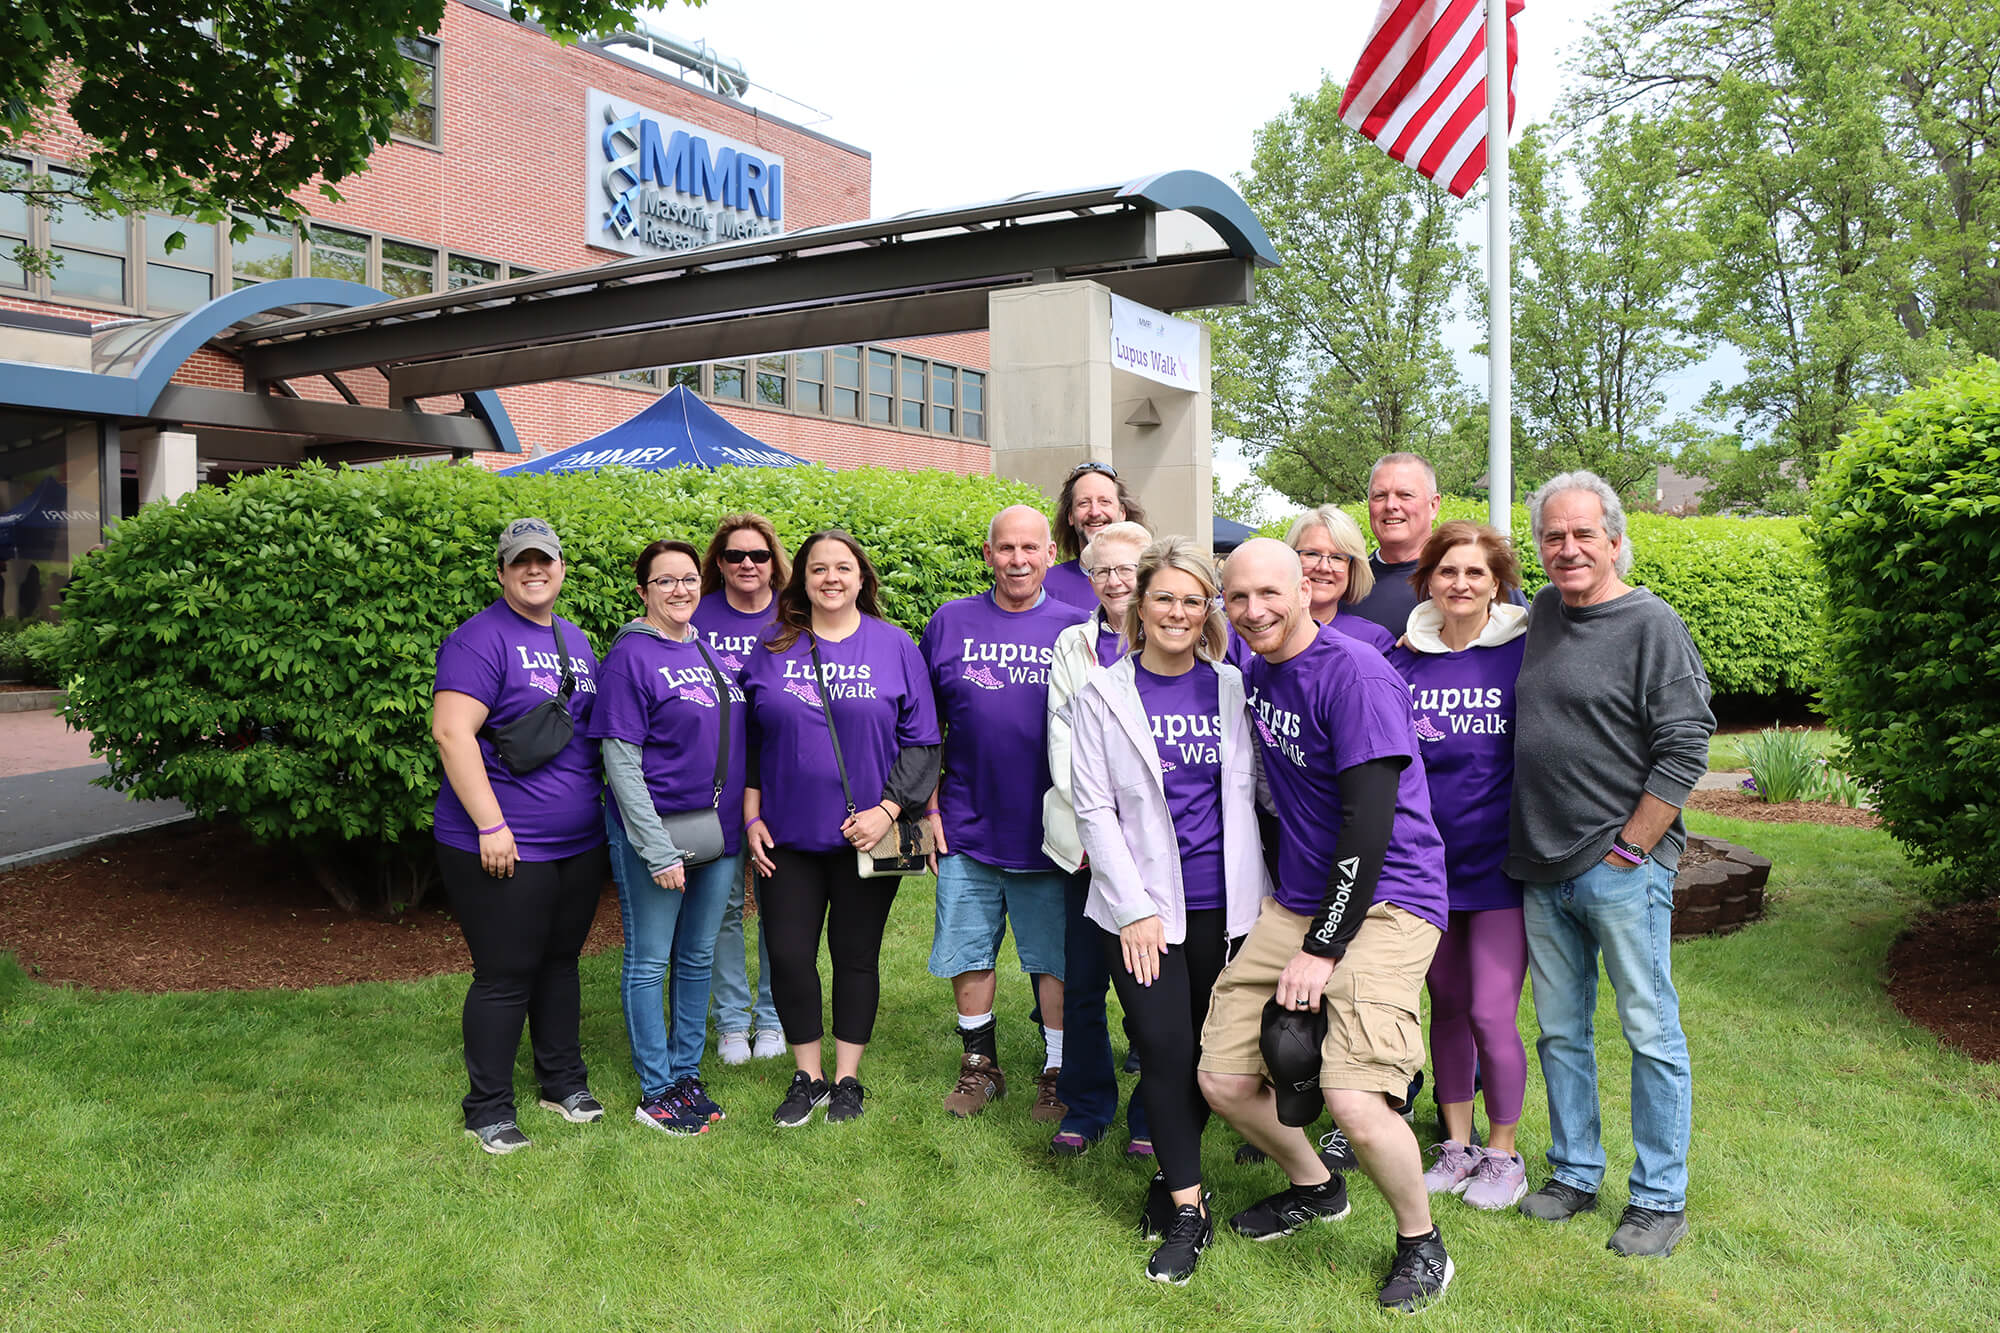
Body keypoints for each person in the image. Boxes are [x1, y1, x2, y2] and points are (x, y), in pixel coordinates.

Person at [1202, 537, 1454, 1314]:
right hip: (1301, 896)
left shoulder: (1355, 674)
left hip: (1390, 897)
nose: (1254, 611)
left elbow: (1369, 823)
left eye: (1269, 594)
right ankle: (1315, 1186)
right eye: (1238, 598)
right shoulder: (1256, 667)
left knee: (1352, 1096)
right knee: (1224, 1077)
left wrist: (1322, 946)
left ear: (1308, 587)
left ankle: (1423, 1242)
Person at [1507, 472, 1713, 1258]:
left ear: (1616, 539)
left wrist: (1636, 843)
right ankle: (1575, 1172)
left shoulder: (1651, 623)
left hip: (1620, 866)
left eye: (1583, 534)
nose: (1567, 548)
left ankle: (1660, 1198)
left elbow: (1688, 741)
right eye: (1553, 537)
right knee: (1560, 1032)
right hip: (1540, 864)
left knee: (1648, 1030)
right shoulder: (1541, 616)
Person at [1069, 537, 1271, 1284]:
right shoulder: (1104, 694)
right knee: (1160, 1045)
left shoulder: (1231, 689)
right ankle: (1191, 1210)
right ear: (1138, 607)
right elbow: (1092, 808)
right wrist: (1132, 909)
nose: (1179, 611)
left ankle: (1171, 1176)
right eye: (1166, 598)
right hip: (1144, 910)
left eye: (1194, 599)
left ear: (1206, 610)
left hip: (1228, 906)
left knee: (1206, 1055)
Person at [740, 530, 942, 1127]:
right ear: (801, 579)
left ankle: (848, 1078)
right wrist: (751, 815)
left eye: (843, 568)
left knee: (856, 957)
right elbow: (753, 742)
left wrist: (887, 810)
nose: (831, 578)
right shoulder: (772, 648)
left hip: (869, 837)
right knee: (789, 955)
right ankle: (808, 1075)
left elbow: (923, 743)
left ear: (861, 579)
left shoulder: (895, 647)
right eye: (819, 568)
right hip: (786, 839)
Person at [430, 517, 608, 1155]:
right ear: (502, 572)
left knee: (560, 964)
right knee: (506, 973)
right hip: (502, 839)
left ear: (561, 569)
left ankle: (562, 1081)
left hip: (577, 843)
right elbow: (453, 733)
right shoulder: (479, 640)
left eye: (546, 561)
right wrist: (491, 824)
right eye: (521, 562)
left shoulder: (574, 639)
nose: (535, 571)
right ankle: (489, 1109)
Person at [919, 505, 1089, 1118]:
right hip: (966, 820)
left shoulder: (1078, 629)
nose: (1018, 560)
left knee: (1053, 959)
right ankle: (979, 1066)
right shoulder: (949, 623)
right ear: (988, 555)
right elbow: (919, 724)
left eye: (1030, 549)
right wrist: (927, 804)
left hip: (1049, 830)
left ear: (1050, 555)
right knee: (968, 951)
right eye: (1006, 549)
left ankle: (1056, 1069)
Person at [1386, 521, 1533, 1209]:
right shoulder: (1403, 660)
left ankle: (1504, 1154)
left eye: (1476, 572)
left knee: (1492, 1012)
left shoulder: (1525, 653)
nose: (1462, 584)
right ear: (1428, 580)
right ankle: (1456, 1144)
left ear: (1498, 580)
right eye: (1448, 571)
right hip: (1427, 871)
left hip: (1501, 867)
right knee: (1444, 1005)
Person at [589, 539, 748, 1136]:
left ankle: (687, 1074)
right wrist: (655, 849)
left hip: (717, 834)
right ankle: (656, 1089)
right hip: (655, 834)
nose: (680, 590)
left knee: (698, 956)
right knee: (651, 961)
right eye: (665, 581)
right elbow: (620, 761)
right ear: (643, 591)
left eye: (688, 579)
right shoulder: (633, 655)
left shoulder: (705, 648)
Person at [1041, 519, 1154, 1157]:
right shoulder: (1072, 645)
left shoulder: (1182, 637)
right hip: (1084, 843)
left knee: (1148, 986)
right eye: (1102, 570)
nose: (1116, 580)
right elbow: (1064, 741)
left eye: (1128, 566)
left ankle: (1149, 1113)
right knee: (1083, 983)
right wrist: (1096, 817)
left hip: (1157, 848)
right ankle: (1087, 1105)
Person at [694, 514, 789, 1067]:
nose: (747, 565)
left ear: (775, 561)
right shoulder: (696, 614)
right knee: (723, 907)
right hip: (715, 784)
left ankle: (774, 1015)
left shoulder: (794, 616)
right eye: (735, 556)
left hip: (781, 782)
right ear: (719, 563)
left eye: (758, 555)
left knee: (780, 905)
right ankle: (732, 1021)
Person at [1349, 453, 1446, 635]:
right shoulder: (1350, 583)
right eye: (1380, 496)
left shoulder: (1473, 578)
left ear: (1433, 505)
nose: (1391, 505)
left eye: (1405, 495)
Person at [1285, 504, 1394, 653]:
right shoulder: (1255, 624)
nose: (1323, 567)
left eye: (1337, 557)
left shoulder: (1374, 641)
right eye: (1311, 554)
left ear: (1352, 569)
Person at [1044, 460, 1150, 610]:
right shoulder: (1046, 584)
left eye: (1104, 502)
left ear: (1122, 513)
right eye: (1083, 503)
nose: (1095, 512)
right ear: (1070, 516)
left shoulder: (1151, 579)